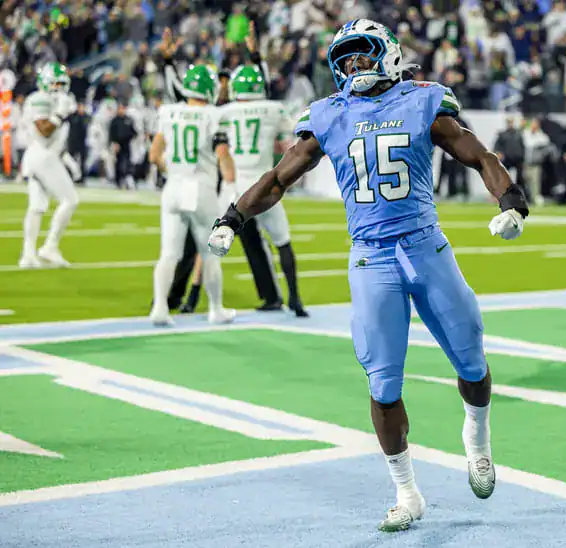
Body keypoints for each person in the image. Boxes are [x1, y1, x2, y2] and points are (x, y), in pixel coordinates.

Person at [207, 19, 529, 532]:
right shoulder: (330, 114)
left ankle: (477, 438)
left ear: (389, 54)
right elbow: (277, 178)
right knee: (382, 383)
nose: (354, 65)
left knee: (471, 356)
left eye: (363, 54)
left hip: (427, 247)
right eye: (346, 58)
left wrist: (510, 199)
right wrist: (233, 216)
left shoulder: (422, 100)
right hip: (371, 257)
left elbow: (477, 153)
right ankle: (407, 491)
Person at [148, 65, 237, 326]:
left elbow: (154, 156)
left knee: (168, 254)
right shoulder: (214, 115)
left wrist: (171, 170)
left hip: (173, 186)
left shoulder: (169, 112)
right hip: (200, 187)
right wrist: (231, 179)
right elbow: (222, 155)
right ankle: (216, 309)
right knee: (210, 253)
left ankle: (160, 309)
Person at [220, 64, 308, 317]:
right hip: (265, 186)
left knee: (212, 243)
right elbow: (284, 144)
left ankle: (200, 299)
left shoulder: (225, 112)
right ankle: (295, 298)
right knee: (283, 243)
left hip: (236, 189)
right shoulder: (274, 109)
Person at [18, 62, 79, 269]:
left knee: (36, 206)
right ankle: (50, 246)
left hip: (43, 156)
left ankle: (28, 254)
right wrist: (59, 115)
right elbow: (44, 130)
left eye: (62, 83)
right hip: (41, 155)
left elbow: (56, 139)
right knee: (70, 200)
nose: (59, 88)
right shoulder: (39, 99)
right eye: (55, 83)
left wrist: (67, 158)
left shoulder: (51, 100)